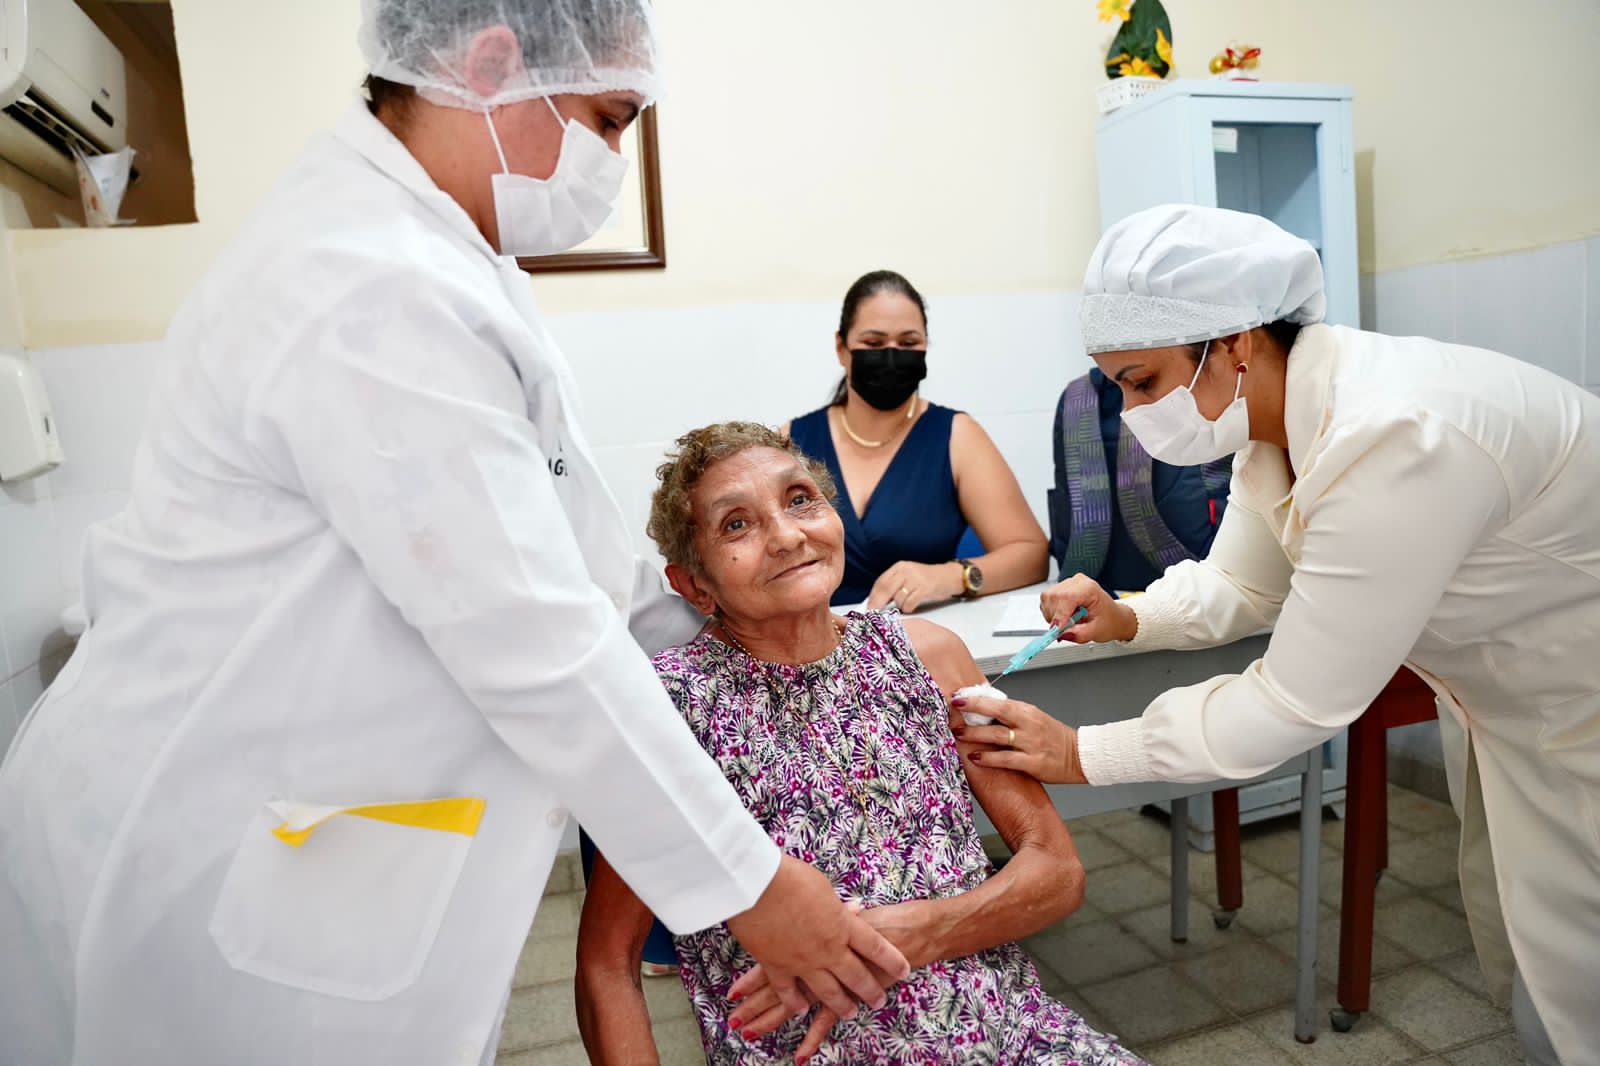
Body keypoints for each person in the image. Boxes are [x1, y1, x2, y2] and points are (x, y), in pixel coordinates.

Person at [0, 5, 906, 1064]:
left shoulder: (459, 264)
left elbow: (570, 550)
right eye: (609, 119)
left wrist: (756, 623)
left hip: (325, 818)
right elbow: (534, 637)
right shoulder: (368, 280)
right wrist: (754, 884)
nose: (611, 157)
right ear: (488, 66)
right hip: (215, 830)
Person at [955, 205, 1600, 1066]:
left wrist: (1083, 754)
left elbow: (1294, 702)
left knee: (1577, 981)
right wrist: (1128, 615)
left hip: (1577, 701)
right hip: (1513, 697)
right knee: (1531, 944)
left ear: (1234, 345)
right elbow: (1243, 584)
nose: (1131, 412)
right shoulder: (1276, 424)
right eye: (1116, 385)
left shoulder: (1389, 434)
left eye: (1143, 383)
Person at [575, 422, 1147, 1066]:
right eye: (736, 525)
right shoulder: (667, 709)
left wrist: (909, 932)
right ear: (693, 584)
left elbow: (1056, 871)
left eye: (800, 501)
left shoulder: (931, 657)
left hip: (1012, 1033)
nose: (788, 535)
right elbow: (607, 965)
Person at [786, 270, 1048, 611]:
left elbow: (1031, 553)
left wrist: (952, 577)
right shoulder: (792, 441)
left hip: (926, 636)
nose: (892, 355)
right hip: (814, 647)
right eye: (874, 343)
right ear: (842, 347)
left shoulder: (956, 435)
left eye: (908, 343)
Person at [1047, 366, 1231, 595]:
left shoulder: (1077, 398)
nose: (1130, 406)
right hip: (1096, 593)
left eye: (1143, 383)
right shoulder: (1078, 397)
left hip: (1204, 590)